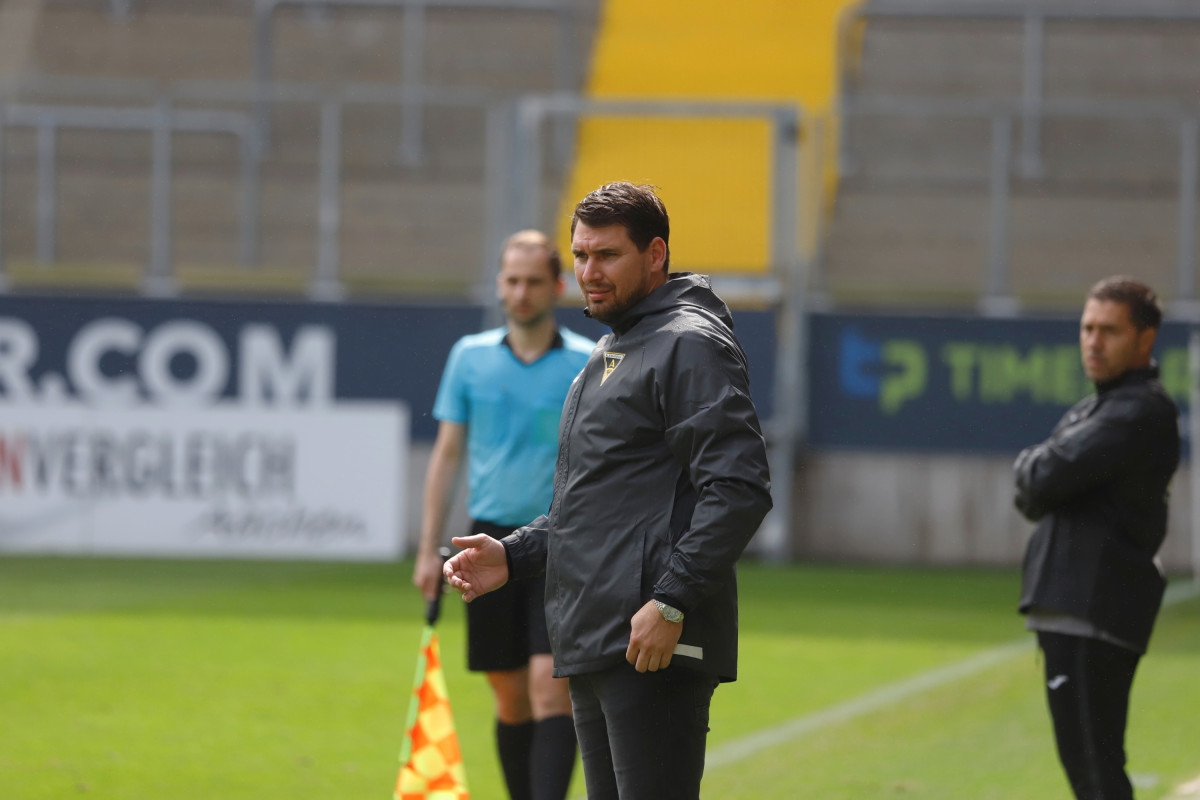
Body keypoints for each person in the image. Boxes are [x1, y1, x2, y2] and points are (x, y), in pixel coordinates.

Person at [443, 182, 773, 800]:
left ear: (656, 254)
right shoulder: (615, 345)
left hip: (651, 640)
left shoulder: (688, 343)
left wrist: (672, 602)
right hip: (598, 635)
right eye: (581, 255)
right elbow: (595, 504)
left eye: (608, 255)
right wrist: (512, 554)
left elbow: (738, 486)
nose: (589, 272)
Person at [413, 229, 593, 800]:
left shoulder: (587, 362)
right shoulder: (469, 357)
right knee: (510, 696)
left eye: (533, 281)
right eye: (512, 281)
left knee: (550, 687)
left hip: (559, 543)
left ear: (557, 287)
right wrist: (427, 549)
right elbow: (447, 454)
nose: (521, 292)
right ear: (498, 284)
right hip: (485, 539)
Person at [1014, 276, 1180, 800]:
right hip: (1079, 607)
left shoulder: (1138, 409)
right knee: (1092, 770)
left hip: (1092, 606)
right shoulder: (1100, 408)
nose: (1093, 342)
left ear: (1145, 338)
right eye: (1087, 329)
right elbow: (1034, 493)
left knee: (1095, 773)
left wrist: (1037, 468)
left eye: (1109, 330)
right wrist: (1040, 472)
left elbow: (1041, 477)